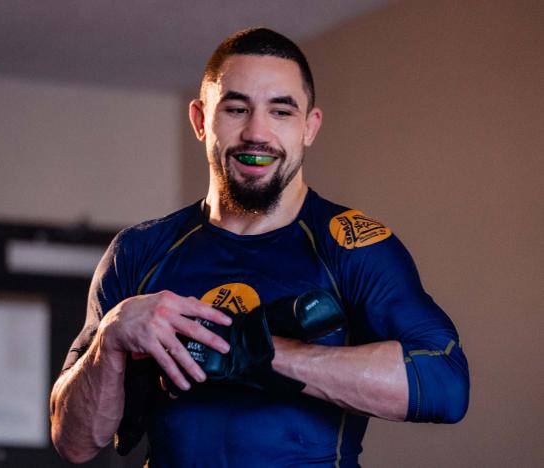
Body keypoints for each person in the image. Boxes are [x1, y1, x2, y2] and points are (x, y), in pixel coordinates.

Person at [50, 28, 469, 467]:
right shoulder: (138, 251)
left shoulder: (353, 246)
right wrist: (112, 338)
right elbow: (74, 442)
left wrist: (254, 351)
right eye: (236, 109)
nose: (257, 132)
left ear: (309, 127)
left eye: (281, 111)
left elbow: (445, 383)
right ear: (199, 120)